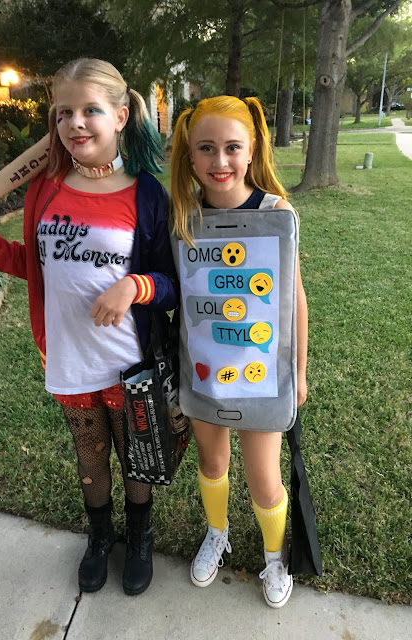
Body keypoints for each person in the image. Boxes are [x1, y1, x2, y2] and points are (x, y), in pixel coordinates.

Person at [0, 58, 178, 597]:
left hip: (128, 360)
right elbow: (31, 264)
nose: (75, 123)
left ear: (121, 116)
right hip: (69, 357)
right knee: (89, 454)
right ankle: (100, 535)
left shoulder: (146, 195)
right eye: (64, 112)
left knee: (135, 455)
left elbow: (172, 283)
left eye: (91, 110)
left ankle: (139, 536)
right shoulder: (45, 189)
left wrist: (134, 286)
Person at [169, 95, 308, 608]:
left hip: (261, 375)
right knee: (211, 462)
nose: (220, 160)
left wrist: (299, 372)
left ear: (252, 151)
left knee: (264, 479)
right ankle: (217, 533)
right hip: (204, 372)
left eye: (232, 147)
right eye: (206, 148)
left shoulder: (277, 213)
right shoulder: (184, 214)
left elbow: (294, 299)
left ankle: (275, 556)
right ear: (190, 154)